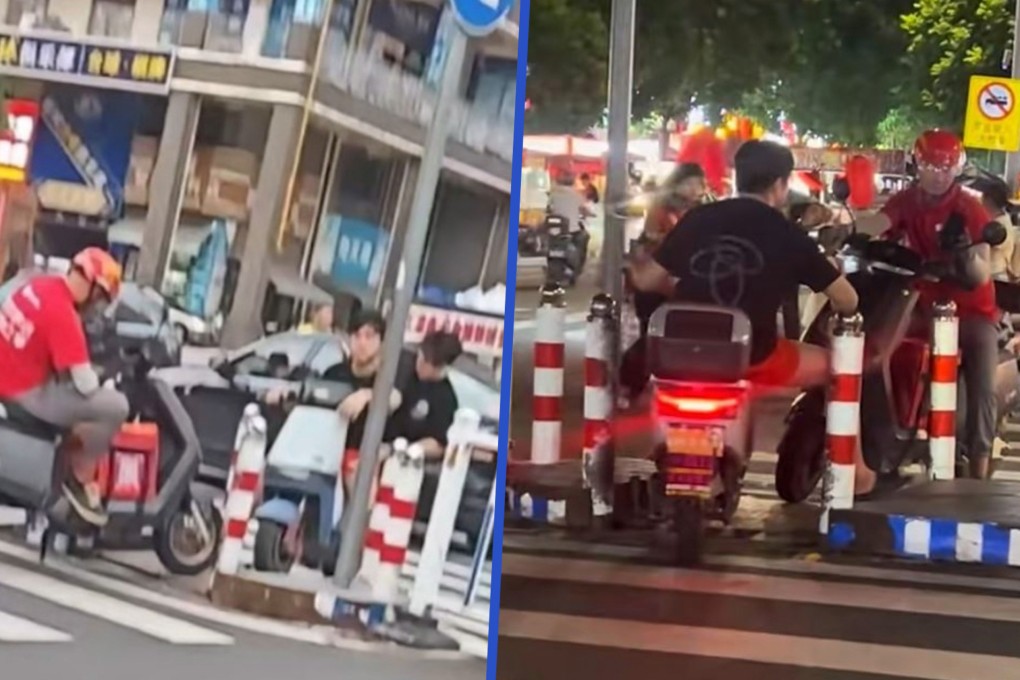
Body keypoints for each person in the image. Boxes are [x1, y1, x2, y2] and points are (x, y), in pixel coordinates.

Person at [627, 140, 872, 492]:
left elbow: (647, 279)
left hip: (680, 349)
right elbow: (846, 297)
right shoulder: (787, 234)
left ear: (737, 177)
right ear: (779, 185)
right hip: (753, 352)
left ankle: (667, 452)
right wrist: (844, 314)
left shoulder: (699, 218)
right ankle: (858, 471)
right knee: (840, 369)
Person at [856, 129, 998, 479]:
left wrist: (965, 259)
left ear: (957, 169)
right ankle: (887, 427)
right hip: (920, 302)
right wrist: (848, 231)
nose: (938, 174)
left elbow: (983, 268)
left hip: (970, 311)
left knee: (983, 385)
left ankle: (979, 463)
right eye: (931, 166)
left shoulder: (969, 208)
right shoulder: (907, 201)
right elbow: (880, 222)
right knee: (876, 347)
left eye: (946, 167)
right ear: (917, 165)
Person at [0, 247, 129, 526]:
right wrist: (100, 374)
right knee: (116, 407)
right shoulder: (63, 315)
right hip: (25, 393)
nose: (95, 306)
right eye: (98, 298)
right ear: (92, 286)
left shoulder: (39, 285)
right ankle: (79, 476)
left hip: (9, 375)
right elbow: (84, 385)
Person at [320, 309, 404, 495]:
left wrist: (368, 395)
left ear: (381, 341)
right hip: (326, 453)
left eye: (369, 336)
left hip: (365, 457)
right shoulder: (334, 373)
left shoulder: (389, 377)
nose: (362, 343)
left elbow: (395, 398)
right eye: (356, 336)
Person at [388, 331, 462, 458]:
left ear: (440, 367)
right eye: (420, 357)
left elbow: (437, 443)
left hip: (403, 459)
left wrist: (411, 450)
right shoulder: (403, 367)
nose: (419, 364)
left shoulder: (446, 399)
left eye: (425, 362)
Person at [972, 177, 1020, 282]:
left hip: (994, 276)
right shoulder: (997, 218)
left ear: (988, 200)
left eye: (982, 197)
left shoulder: (998, 226)